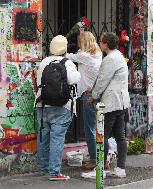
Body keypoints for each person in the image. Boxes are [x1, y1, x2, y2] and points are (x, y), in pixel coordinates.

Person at [36, 35, 81, 181]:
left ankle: (43, 168)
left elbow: (38, 82)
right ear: (65, 48)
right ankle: (54, 172)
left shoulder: (43, 62)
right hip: (62, 107)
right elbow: (74, 80)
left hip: (43, 105)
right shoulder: (67, 63)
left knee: (44, 136)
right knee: (57, 138)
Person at [88, 32, 130, 178]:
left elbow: (102, 80)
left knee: (102, 135)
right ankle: (120, 168)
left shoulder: (110, 59)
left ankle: (101, 169)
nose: (100, 43)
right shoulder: (119, 56)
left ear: (106, 44)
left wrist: (93, 96)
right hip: (121, 102)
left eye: (101, 41)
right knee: (120, 136)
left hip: (112, 102)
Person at [66, 31, 102, 170]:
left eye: (80, 42)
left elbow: (67, 56)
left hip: (88, 96)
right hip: (96, 94)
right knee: (97, 128)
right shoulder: (98, 55)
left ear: (83, 43)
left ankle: (94, 159)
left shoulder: (84, 56)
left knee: (90, 129)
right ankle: (99, 156)